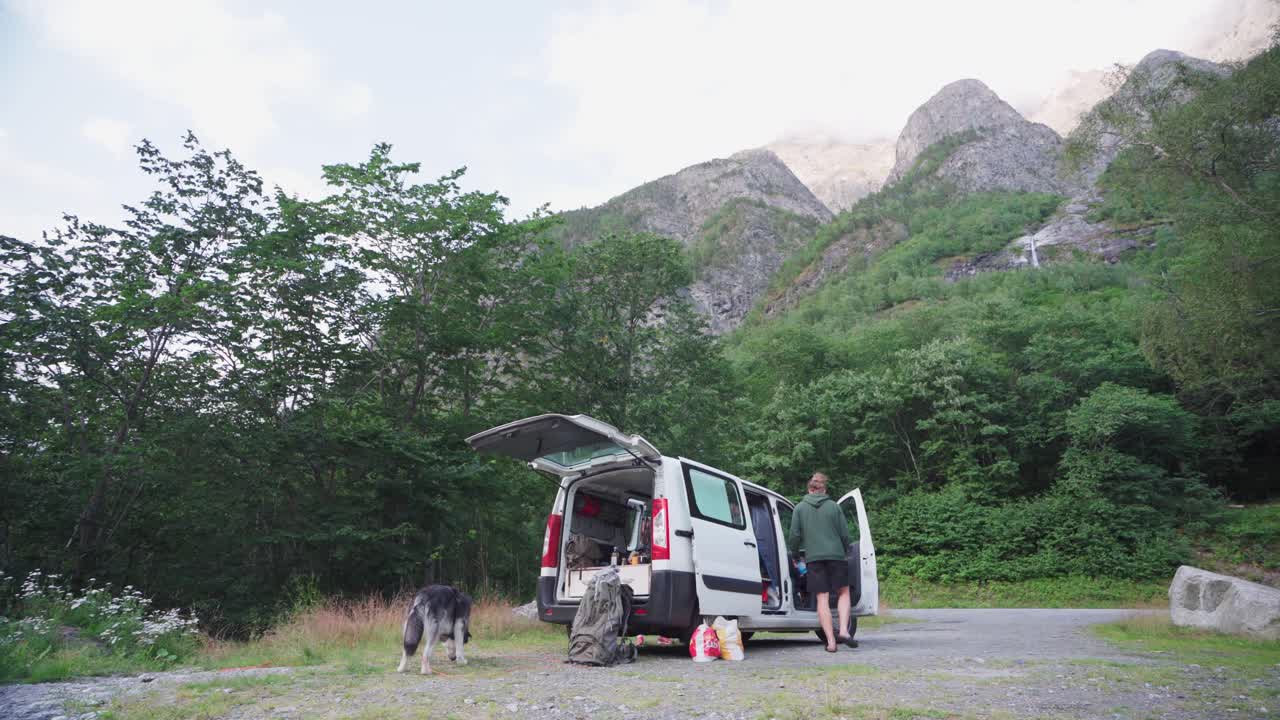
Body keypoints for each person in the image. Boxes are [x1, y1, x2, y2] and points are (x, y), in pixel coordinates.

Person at [788, 472, 856, 652]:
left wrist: (795, 554)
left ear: (809, 489)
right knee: (843, 592)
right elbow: (844, 533)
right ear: (824, 489)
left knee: (822, 598)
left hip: (814, 559)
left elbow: (794, 535)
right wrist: (846, 548)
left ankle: (831, 643)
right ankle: (843, 630)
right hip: (836, 556)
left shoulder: (800, 508)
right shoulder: (834, 507)